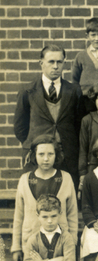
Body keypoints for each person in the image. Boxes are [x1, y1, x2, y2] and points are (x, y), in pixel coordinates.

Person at [14, 45, 82, 187]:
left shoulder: (73, 90)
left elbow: (78, 123)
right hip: (38, 156)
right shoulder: (28, 91)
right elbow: (20, 127)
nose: (56, 66)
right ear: (41, 63)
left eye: (60, 62)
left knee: (66, 195)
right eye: (51, 62)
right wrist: (32, 145)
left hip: (67, 155)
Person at [11, 135, 78, 261]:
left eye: (50, 154)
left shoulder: (65, 178)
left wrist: (73, 242)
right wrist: (16, 246)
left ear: (56, 155)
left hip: (60, 246)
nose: (46, 159)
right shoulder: (25, 180)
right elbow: (18, 216)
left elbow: (72, 214)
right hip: (31, 243)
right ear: (34, 155)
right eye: (41, 154)